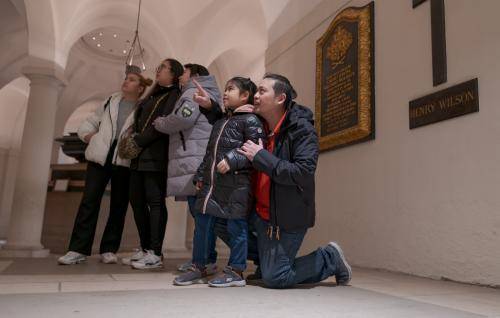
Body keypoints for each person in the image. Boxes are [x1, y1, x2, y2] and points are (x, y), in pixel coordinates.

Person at [195, 73, 352, 288]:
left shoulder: (302, 129)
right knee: (220, 221)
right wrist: (210, 106)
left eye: (261, 91)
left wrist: (260, 156)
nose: (255, 96)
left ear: (280, 98)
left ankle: (328, 258)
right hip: (258, 214)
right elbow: (230, 122)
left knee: (275, 277)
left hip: (285, 218)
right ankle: (266, 259)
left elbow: (302, 173)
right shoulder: (260, 123)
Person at [174, 77, 265, 287]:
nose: (225, 93)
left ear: (244, 96)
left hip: (236, 186)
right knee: (202, 226)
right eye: (225, 89)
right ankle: (199, 265)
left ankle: (236, 270)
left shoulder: (251, 120)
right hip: (212, 184)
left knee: (236, 227)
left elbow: (256, 150)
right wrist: (200, 175)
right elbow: (210, 154)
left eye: (230, 89)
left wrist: (233, 160)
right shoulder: (222, 121)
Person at [58, 66, 152, 265]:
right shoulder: (111, 100)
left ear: (141, 87)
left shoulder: (143, 107)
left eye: (132, 79)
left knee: (118, 206)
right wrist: (90, 136)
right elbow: (91, 121)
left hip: (125, 161)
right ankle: (77, 250)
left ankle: (109, 249)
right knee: (89, 202)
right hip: (99, 157)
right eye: (126, 78)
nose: (126, 81)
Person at [153, 63, 222, 275]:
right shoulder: (203, 92)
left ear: (194, 75)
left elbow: (183, 118)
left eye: (183, 72)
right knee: (201, 214)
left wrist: (160, 122)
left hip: (195, 159)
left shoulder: (192, 91)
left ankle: (204, 261)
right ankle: (202, 259)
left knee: (201, 215)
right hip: (195, 157)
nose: (180, 76)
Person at [125, 58, 183, 269]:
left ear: (174, 74)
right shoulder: (153, 94)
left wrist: (139, 140)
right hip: (139, 156)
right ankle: (145, 247)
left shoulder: (174, 94)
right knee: (137, 201)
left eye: (163, 68)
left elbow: (163, 123)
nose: (158, 70)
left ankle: (156, 253)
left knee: (155, 202)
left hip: (157, 155)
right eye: (158, 67)